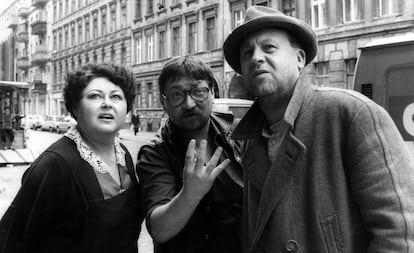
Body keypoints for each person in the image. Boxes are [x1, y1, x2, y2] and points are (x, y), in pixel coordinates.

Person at [223, 5, 414, 253]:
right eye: (247, 53)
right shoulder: (249, 139)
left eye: (268, 47)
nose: (256, 58)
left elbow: (399, 233)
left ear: (300, 59)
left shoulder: (349, 114)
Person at [0, 63, 144, 253]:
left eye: (116, 96)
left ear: (127, 108)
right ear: (75, 107)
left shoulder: (123, 155)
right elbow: (13, 241)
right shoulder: (53, 166)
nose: (107, 103)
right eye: (94, 96)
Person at [136, 56, 243, 253]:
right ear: (163, 101)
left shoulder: (237, 135)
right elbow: (159, 230)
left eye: (198, 92)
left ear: (212, 92)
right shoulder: (155, 153)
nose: (189, 103)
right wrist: (190, 195)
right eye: (177, 95)